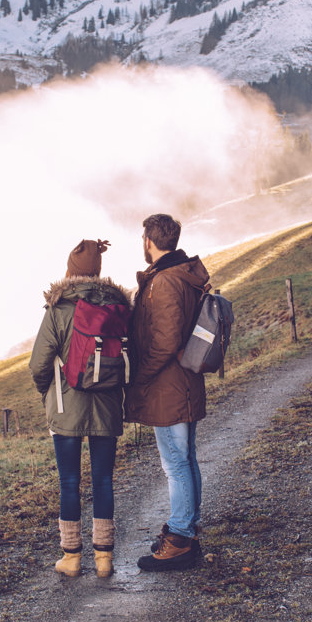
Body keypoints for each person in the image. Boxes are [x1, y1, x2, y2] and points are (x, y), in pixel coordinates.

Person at [29, 238, 132, 578]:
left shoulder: (58, 310)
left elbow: (38, 364)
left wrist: (49, 392)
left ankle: (71, 558)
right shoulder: (118, 308)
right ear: (98, 272)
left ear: (70, 272)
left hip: (65, 406)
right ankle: (104, 559)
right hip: (107, 406)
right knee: (104, 481)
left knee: (69, 482)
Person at [125, 213, 212, 571]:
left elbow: (165, 342)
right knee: (185, 458)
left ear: (149, 240)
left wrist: (140, 377)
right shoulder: (184, 274)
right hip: (183, 382)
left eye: (143, 238)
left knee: (175, 462)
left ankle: (179, 539)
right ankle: (184, 530)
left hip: (168, 386)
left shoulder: (164, 282)